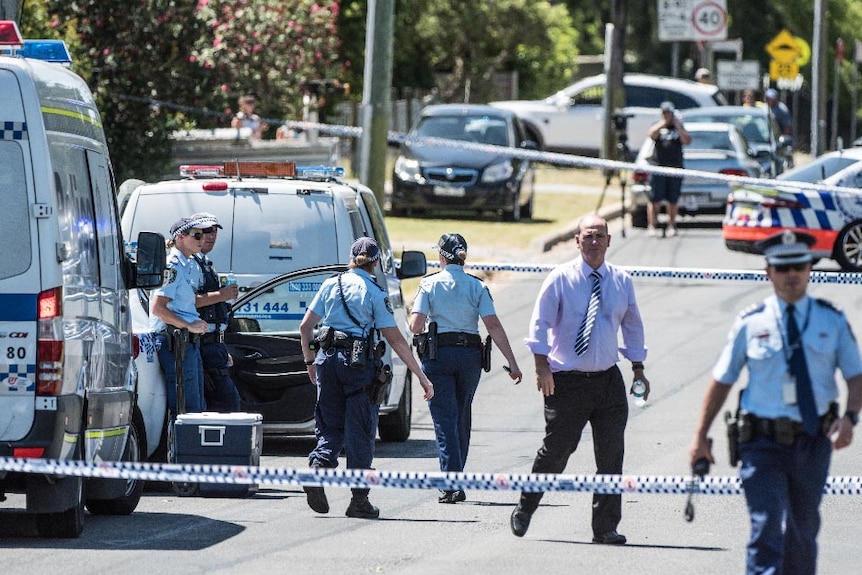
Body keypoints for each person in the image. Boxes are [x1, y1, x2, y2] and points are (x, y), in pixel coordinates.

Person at [689, 230, 862, 575]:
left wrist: (850, 418)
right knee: (766, 528)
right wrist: (700, 436)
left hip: (813, 441)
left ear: (810, 267)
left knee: (802, 534)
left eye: (798, 265)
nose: (791, 274)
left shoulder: (832, 319)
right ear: (769, 271)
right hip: (761, 443)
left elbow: (856, 376)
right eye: (782, 268)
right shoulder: (750, 323)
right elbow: (723, 380)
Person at [510, 214, 649, 544]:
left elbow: (633, 325)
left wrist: (638, 368)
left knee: (611, 456)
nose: (594, 242)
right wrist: (541, 366)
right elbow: (539, 324)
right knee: (557, 451)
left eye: (599, 236)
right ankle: (526, 505)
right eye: (587, 236)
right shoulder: (560, 278)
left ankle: (605, 528)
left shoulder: (620, 280)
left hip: (608, 381)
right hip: (567, 381)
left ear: (609, 240)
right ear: (577, 240)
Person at [299, 237, 435, 519]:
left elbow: (306, 328)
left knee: (329, 423)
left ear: (351, 258)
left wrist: (311, 361)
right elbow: (395, 338)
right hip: (357, 366)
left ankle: (317, 470)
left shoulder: (330, 284)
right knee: (360, 429)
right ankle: (359, 500)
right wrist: (421, 375)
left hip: (326, 362)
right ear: (375, 263)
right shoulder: (374, 292)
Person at [408, 233, 523, 504]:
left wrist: (414, 312)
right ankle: (456, 478)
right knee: (461, 416)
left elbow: (415, 325)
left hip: (439, 356)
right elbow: (493, 325)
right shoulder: (477, 286)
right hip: (470, 356)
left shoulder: (429, 284)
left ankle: (451, 483)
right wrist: (513, 362)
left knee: (444, 419)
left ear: (443, 256)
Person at [150, 217, 210, 417]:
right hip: (174, 340)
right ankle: (183, 448)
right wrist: (189, 325)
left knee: (197, 404)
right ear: (180, 237)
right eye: (197, 235)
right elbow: (158, 308)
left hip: (187, 341)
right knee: (186, 407)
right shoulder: (173, 266)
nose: (202, 239)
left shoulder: (189, 264)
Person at [190, 212, 242, 413]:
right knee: (227, 405)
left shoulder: (204, 263)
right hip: (201, 344)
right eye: (205, 231)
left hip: (214, 344)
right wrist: (222, 295)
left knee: (222, 404)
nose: (210, 235)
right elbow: (187, 302)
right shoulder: (189, 264)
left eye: (213, 231)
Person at [646, 101, 691, 238]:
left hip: (675, 166)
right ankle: (653, 224)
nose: (667, 115)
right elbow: (651, 135)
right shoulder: (658, 125)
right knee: (655, 198)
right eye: (664, 113)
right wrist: (663, 123)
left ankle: (671, 224)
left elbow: (687, 141)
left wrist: (677, 125)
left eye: (669, 113)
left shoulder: (678, 127)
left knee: (673, 198)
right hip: (658, 166)